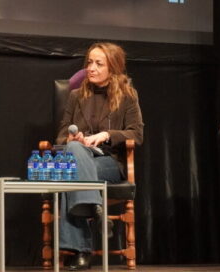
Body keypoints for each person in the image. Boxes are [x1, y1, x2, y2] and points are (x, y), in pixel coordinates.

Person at [55, 42, 144, 271]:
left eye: (98, 64)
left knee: (71, 172)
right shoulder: (76, 96)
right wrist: (72, 141)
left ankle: (81, 251)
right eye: (89, 63)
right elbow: (62, 135)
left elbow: (137, 134)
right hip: (80, 157)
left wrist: (106, 135)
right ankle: (96, 208)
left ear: (112, 68)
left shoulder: (127, 96)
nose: (91, 68)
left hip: (108, 162)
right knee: (74, 152)